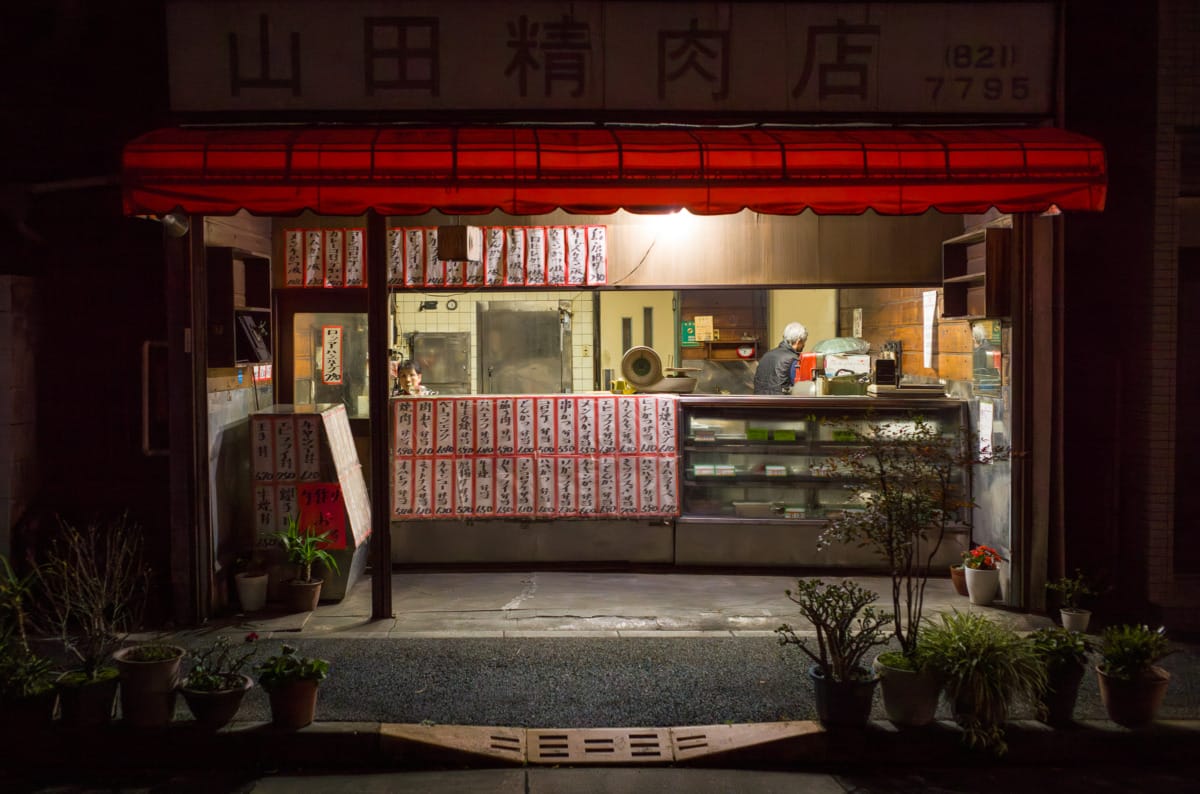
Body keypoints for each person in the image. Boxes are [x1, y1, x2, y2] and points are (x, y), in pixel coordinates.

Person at [754, 322, 808, 395]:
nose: (804, 345)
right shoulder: (793, 360)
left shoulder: (766, 356)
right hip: (781, 403)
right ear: (798, 341)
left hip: (759, 403)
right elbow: (798, 387)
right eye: (803, 342)